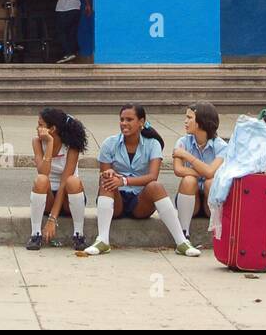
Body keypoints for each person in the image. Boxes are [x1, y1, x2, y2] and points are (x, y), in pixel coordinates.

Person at [84, 104, 201, 257]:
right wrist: (109, 173)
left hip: (140, 202)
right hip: (117, 201)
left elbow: (152, 176)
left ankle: (181, 242)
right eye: (122, 120)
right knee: (107, 181)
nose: (124, 123)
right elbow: (104, 172)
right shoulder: (109, 143)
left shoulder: (153, 144)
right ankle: (103, 240)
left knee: (156, 186)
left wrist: (125, 181)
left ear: (141, 122)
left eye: (129, 119)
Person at [28, 107, 88, 251]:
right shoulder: (38, 142)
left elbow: (63, 183)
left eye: (41, 125)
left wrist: (52, 219)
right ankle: (35, 234)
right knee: (41, 180)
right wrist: (49, 143)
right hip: (47, 196)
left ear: (52, 128)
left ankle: (79, 234)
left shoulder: (71, 146)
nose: (37, 128)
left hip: (68, 196)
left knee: (73, 181)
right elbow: (43, 171)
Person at [172, 102, 227, 240]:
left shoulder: (222, 147)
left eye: (189, 118)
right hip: (190, 198)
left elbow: (210, 174)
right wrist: (204, 172)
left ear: (201, 122)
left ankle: (219, 234)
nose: (185, 121)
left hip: (211, 200)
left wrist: (187, 156)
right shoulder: (182, 142)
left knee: (211, 182)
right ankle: (183, 234)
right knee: (189, 180)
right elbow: (178, 170)